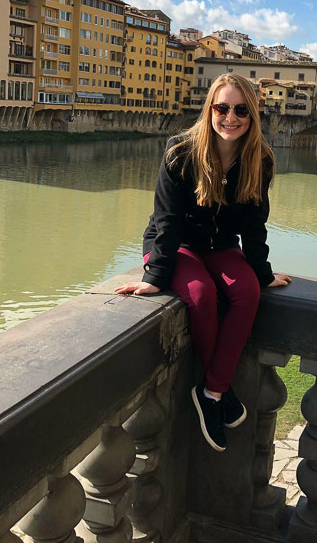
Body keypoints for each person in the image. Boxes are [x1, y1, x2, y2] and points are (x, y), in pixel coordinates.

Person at [115, 73, 291, 452]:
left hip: (221, 246)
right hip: (174, 246)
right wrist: (156, 275)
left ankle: (211, 391)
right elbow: (166, 220)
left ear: (252, 114)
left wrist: (262, 272)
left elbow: (254, 224)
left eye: (241, 109)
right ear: (210, 108)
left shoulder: (259, 159)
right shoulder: (180, 152)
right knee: (200, 293)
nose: (231, 117)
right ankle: (220, 393)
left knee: (247, 292)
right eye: (222, 107)